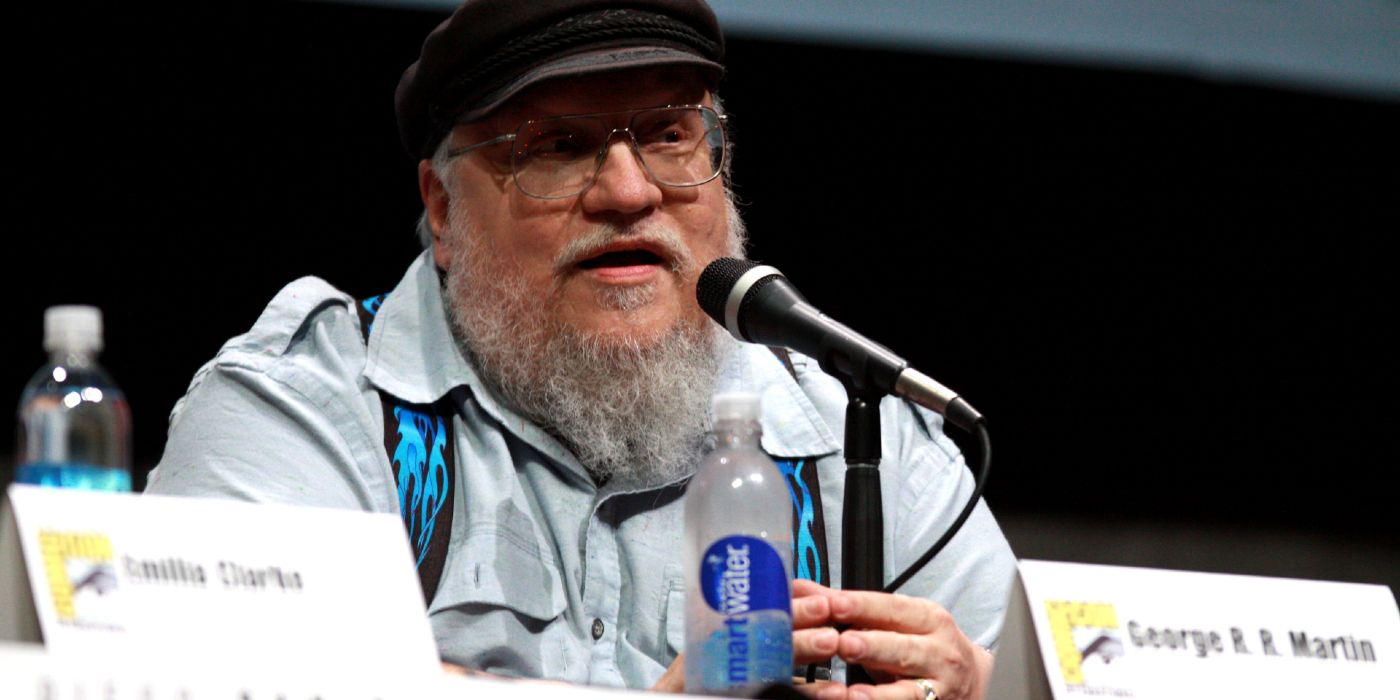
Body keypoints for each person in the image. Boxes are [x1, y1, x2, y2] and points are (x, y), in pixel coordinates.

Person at [145, 1, 1015, 698]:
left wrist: (979, 685)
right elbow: (229, 671)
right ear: (442, 208)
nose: (629, 191)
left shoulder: (861, 435)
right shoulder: (307, 407)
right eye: (558, 147)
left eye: (670, 135)